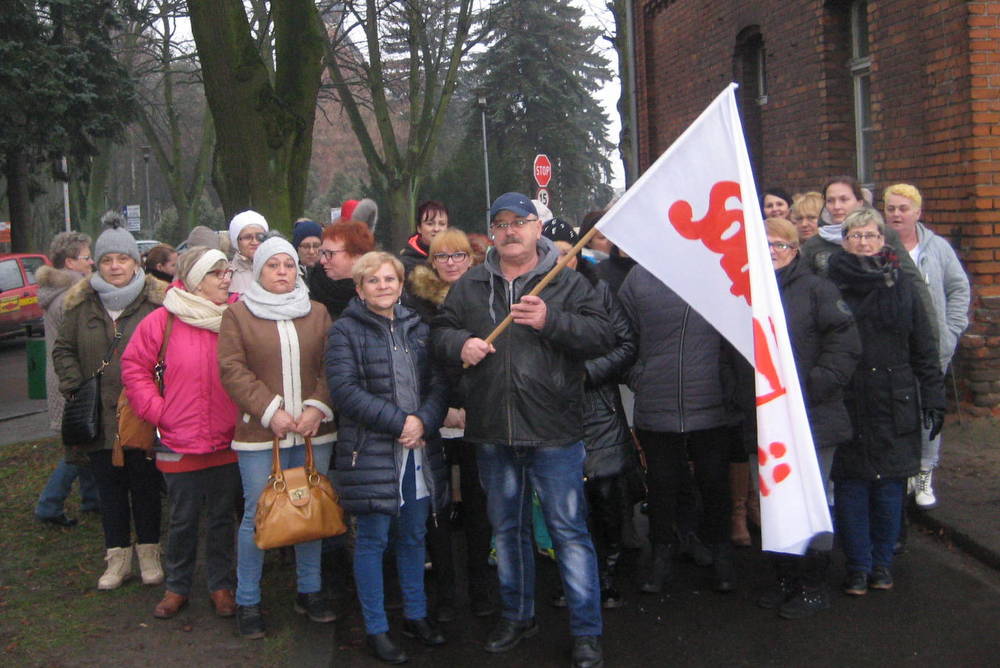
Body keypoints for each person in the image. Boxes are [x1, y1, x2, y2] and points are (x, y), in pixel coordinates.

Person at [432, 192, 614, 668]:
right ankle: (517, 615)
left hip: (554, 430)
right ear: (491, 232)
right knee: (506, 530)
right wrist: (460, 344)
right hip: (492, 431)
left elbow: (602, 336)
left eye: (520, 222)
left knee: (569, 532)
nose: (510, 230)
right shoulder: (470, 284)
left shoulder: (567, 283)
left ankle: (587, 631)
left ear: (538, 228)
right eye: (501, 223)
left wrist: (552, 321)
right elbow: (440, 332)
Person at [326, 252, 450, 664]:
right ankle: (376, 627)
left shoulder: (418, 327)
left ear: (401, 284)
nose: (383, 286)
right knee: (373, 541)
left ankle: (416, 615)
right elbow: (344, 390)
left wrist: (424, 422)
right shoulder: (345, 331)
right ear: (359, 288)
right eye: (373, 281)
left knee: (414, 537)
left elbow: (437, 383)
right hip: (373, 453)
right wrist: (401, 422)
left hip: (417, 450)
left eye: (390, 279)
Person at [217, 237, 337, 638]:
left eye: (289, 265)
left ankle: (311, 589)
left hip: (311, 433)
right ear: (259, 270)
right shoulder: (239, 315)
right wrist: (273, 411)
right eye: (273, 265)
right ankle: (248, 599)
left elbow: (332, 366)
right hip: (260, 435)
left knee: (309, 508)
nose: (283, 271)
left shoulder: (317, 312)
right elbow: (233, 369)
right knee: (258, 513)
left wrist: (316, 407)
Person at [827, 208, 945, 595]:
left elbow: (924, 346)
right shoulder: (828, 284)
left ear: (883, 240)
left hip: (895, 397)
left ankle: (882, 563)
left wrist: (933, 395)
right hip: (847, 395)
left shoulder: (903, 286)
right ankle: (857, 565)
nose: (863, 242)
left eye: (870, 235)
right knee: (851, 485)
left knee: (890, 485)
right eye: (855, 236)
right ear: (844, 241)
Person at [121, 248, 241, 620]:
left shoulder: (238, 318)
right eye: (216, 273)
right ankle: (178, 586)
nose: (226, 278)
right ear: (195, 280)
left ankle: (222, 585)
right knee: (183, 517)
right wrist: (159, 412)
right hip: (176, 438)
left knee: (223, 517)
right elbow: (134, 367)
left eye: (227, 272)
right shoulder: (161, 321)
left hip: (227, 437)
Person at [51, 214, 166, 590]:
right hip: (99, 417)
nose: (115, 267)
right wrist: (75, 386)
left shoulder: (156, 304)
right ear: (97, 265)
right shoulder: (81, 305)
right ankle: (116, 559)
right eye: (106, 260)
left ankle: (150, 553)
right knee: (110, 491)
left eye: (122, 259)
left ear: (136, 262)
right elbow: (63, 350)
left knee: (146, 488)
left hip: (142, 414)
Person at [755, 217, 861, 619]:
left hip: (813, 416)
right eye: (763, 246)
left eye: (778, 246)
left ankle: (812, 583)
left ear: (795, 250)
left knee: (812, 500)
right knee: (775, 502)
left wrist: (813, 386)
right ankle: (784, 575)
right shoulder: (748, 291)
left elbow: (845, 345)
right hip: (765, 419)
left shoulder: (818, 290)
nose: (771, 253)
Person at [618, 261, 742, 595]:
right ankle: (661, 555)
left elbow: (741, 331)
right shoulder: (639, 278)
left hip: (712, 401)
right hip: (657, 401)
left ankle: (721, 553)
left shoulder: (716, 268)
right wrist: (638, 378)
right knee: (661, 487)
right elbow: (621, 336)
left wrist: (729, 385)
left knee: (715, 483)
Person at [542, 220, 637, 610]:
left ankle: (607, 574)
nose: (562, 259)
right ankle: (575, 579)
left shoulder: (599, 290)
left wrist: (587, 372)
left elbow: (626, 344)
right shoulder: (533, 293)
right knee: (565, 504)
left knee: (604, 497)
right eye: (554, 251)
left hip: (596, 410)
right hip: (552, 412)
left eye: (569, 251)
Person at [406, 228, 496, 620]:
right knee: (437, 509)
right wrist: (441, 409)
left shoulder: (484, 297)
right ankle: (444, 595)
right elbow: (420, 367)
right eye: (443, 257)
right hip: (435, 416)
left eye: (459, 255)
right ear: (433, 262)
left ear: (471, 258)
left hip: (480, 415)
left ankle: (482, 593)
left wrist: (474, 405)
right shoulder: (415, 306)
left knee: (480, 508)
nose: (452, 263)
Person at [883, 184, 970, 508]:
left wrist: (951, 330)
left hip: (933, 347)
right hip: (894, 346)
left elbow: (959, 288)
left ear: (918, 212)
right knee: (899, 408)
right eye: (891, 208)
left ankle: (924, 472)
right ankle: (903, 469)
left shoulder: (937, 248)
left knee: (928, 410)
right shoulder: (882, 246)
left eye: (903, 208)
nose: (896, 214)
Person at [34, 232, 100, 527]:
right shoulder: (71, 297)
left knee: (83, 437)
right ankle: (49, 504)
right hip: (73, 379)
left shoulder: (57, 293)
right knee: (76, 447)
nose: (92, 262)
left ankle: (92, 498)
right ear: (71, 262)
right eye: (87, 257)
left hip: (63, 376)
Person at [309, 219, 376, 319]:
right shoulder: (309, 290)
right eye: (322, 253)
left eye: (330, 253)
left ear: (356, 256)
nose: (322, 260)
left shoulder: (379, 294)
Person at [400, 200, 448, 275]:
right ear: (419, 228)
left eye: (442, 224)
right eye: (430, 224)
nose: (436, 229)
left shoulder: (457, 257)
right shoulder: (405, 264)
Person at [227, 210, 269, 294]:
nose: (254, 242)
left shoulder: (280, 268)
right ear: (237, 241)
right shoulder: (226, 274)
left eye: (259, 237)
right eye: (247, 237)